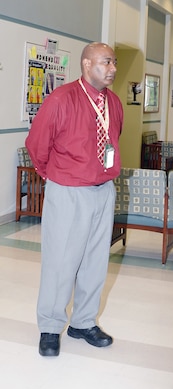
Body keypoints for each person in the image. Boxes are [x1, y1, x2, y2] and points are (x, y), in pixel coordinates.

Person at [25, 42, 123, 357]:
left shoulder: (114, 103)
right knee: (60, 262)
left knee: (95, 262)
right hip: (68, 191)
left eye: (114, 63)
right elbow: (37, 144)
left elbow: (113, 139)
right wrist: (55, 175)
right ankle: (51, 327)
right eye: (106, 62)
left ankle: (83, 322)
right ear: (85, 64)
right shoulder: (61, 99)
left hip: (103, 190)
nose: (113, 69)